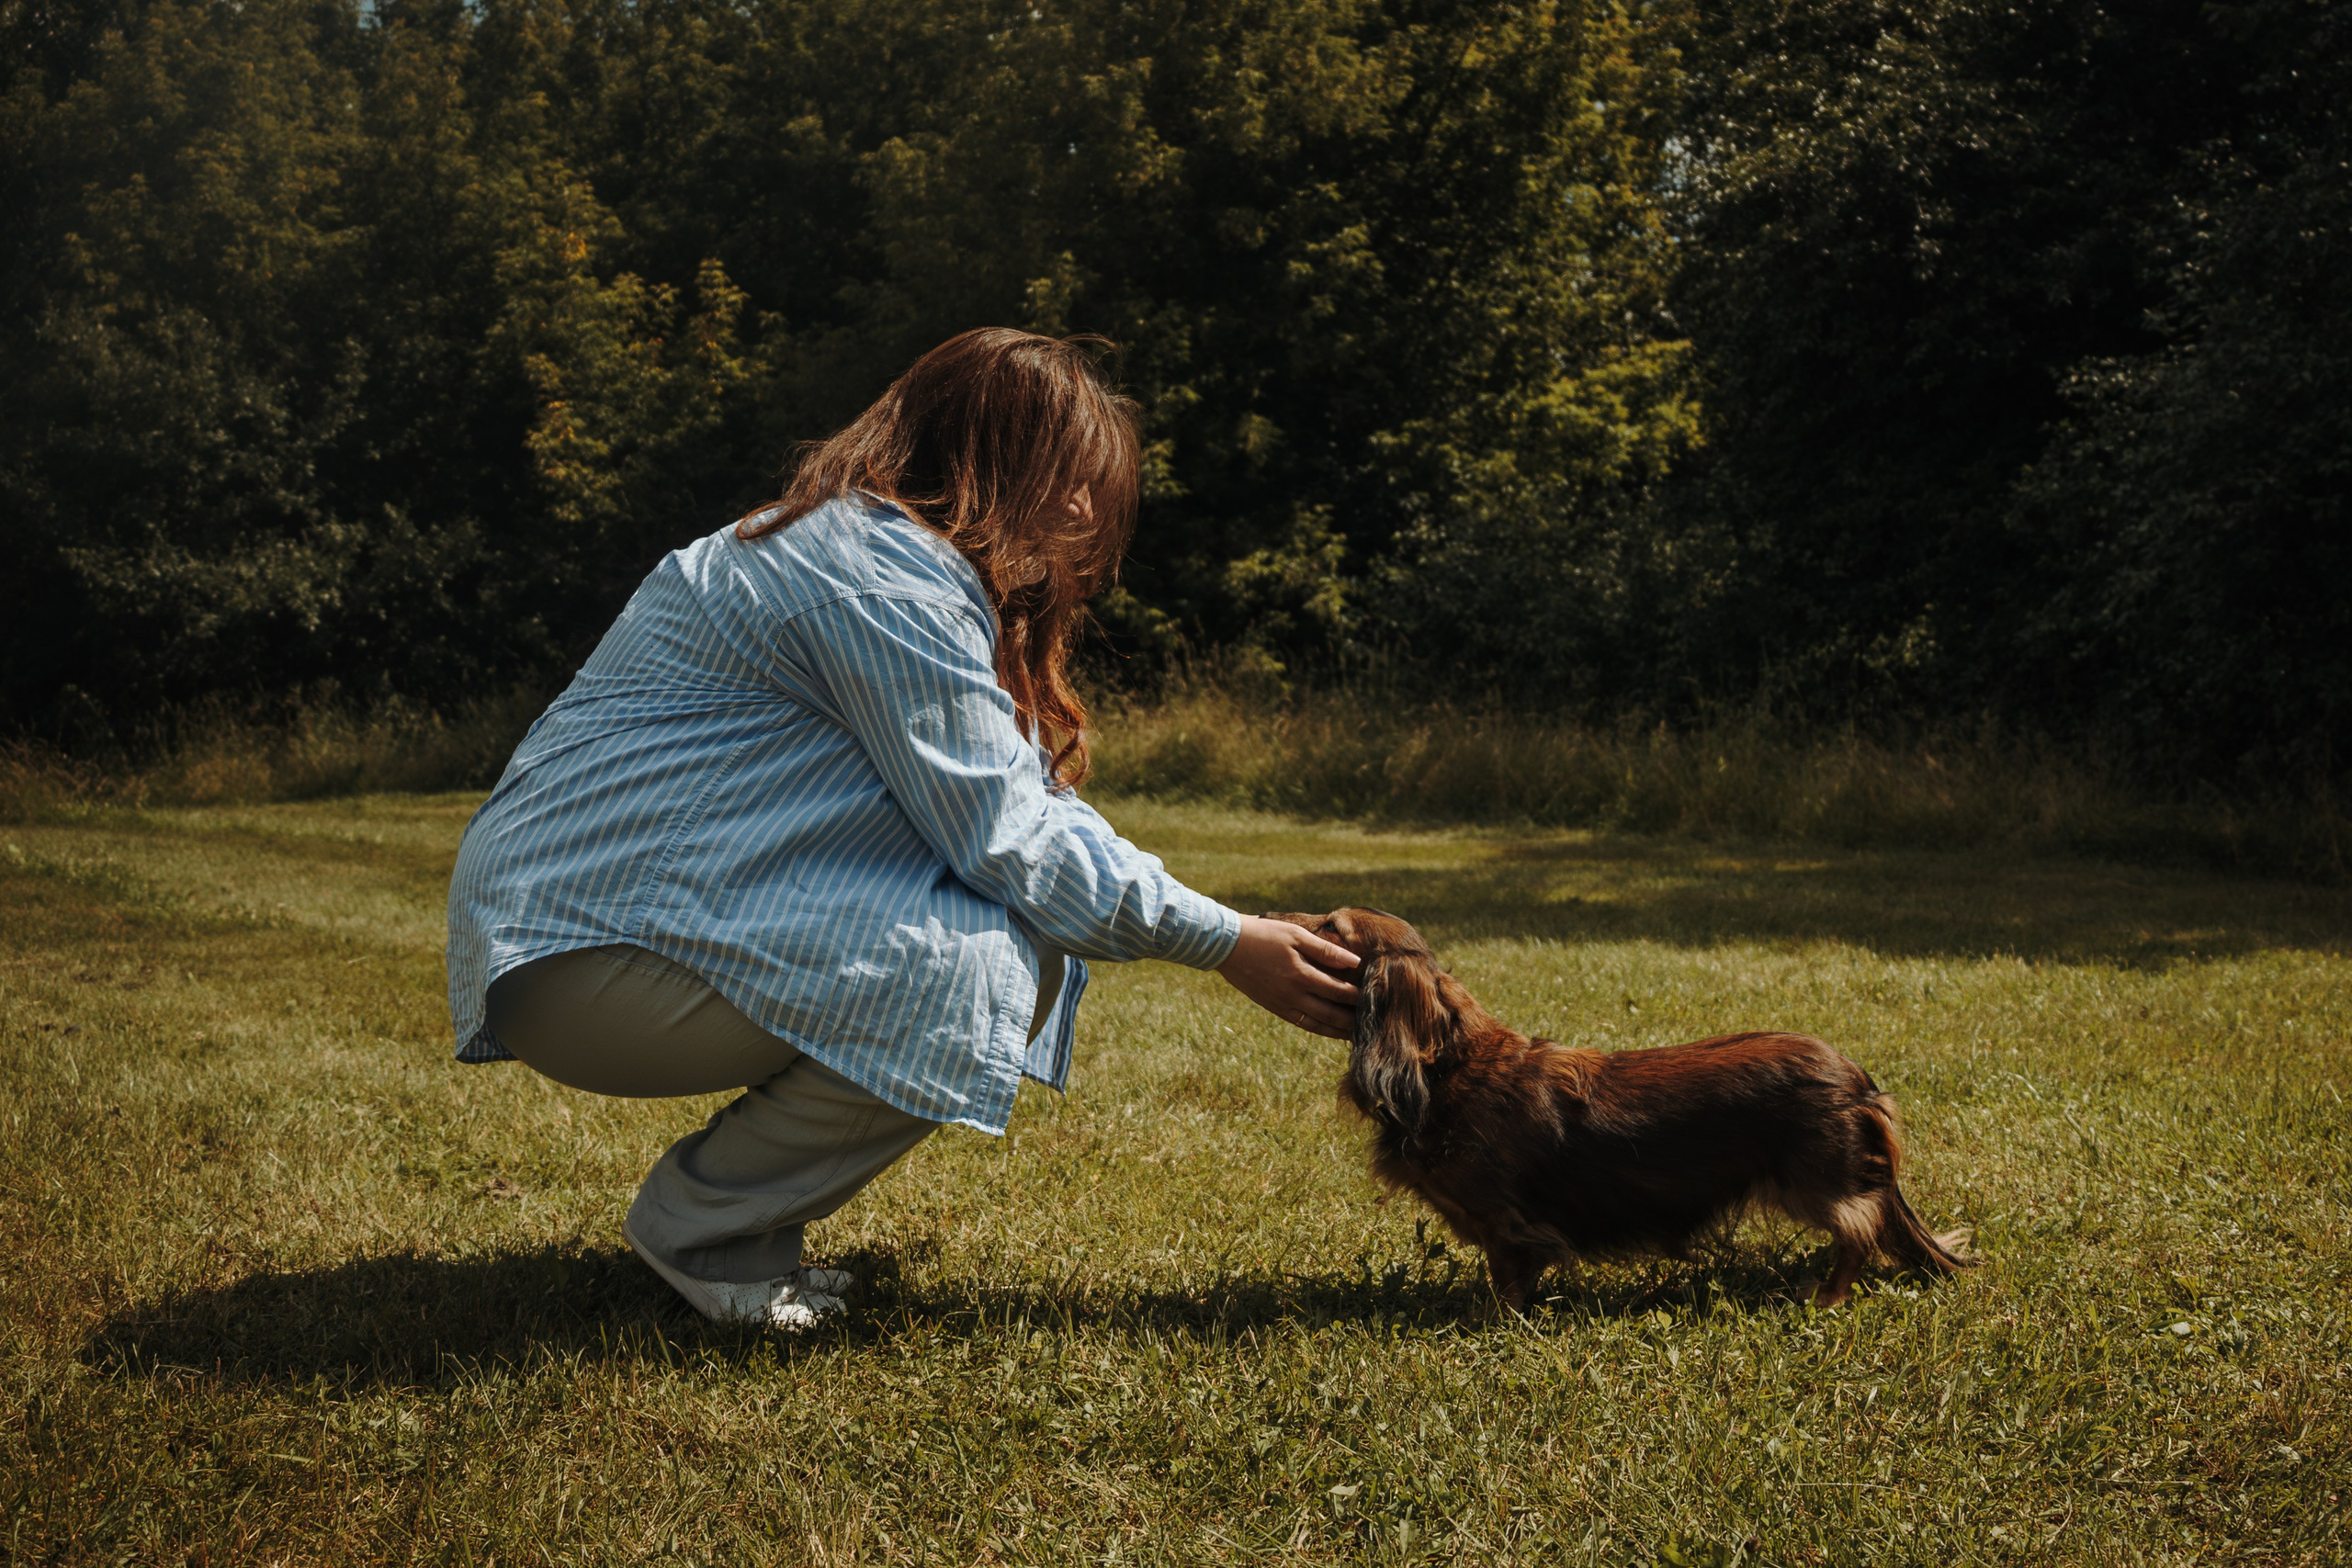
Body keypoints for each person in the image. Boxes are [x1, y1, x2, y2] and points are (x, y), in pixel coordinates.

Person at [445, 328, 1362, 1328]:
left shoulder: (877, 558)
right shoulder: (879, 577)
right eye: (1074, 476)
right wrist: (1227, 943)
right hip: (593, 953)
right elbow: (1010, 839)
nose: (1090, 512)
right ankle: (702, 1230)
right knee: (976, 964)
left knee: (1011, 944)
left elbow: (1029, 806)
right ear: (998, 460)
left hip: (595, 935)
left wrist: (1225, 925)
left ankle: (731, 1227)